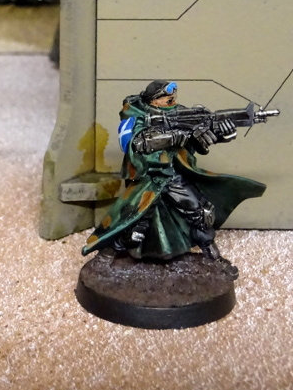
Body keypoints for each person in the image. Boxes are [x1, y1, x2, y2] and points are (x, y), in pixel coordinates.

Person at [82, 80, 266, 261]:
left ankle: (207, 246)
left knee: (202, 212)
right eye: (167, 97)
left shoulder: (182, 112)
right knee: (133, 224)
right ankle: (110, 252)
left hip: (173, 175)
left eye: (173, 96)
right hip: (147, 178)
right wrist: (172, 137)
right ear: (154, 99)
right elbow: (137, 143)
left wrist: (220, 134)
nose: (173, 100)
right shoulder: (138, 115)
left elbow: (197, 141)